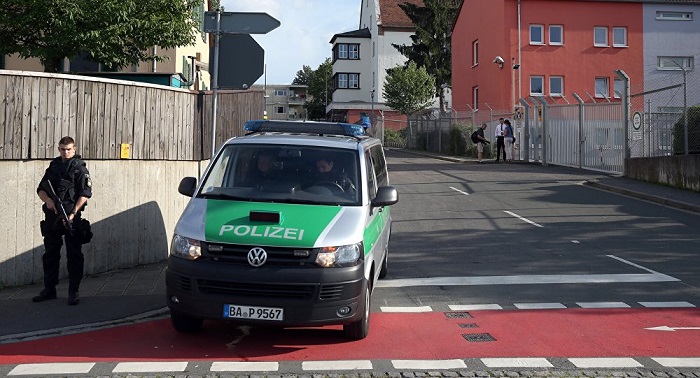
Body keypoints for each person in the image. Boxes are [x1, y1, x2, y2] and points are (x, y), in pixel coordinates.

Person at [34, 136, 92, 306]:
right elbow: (41, 189)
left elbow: (85, 194)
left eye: (68, 149)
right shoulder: (53, 167)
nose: (65, 152)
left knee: (74, 255)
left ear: (74, 149)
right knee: (50, 254)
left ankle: (73, 291)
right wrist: (48, 201)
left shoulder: (79, 169)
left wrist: (73, 213)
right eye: (62, 149)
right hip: (53, 217)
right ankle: (49, 289)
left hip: (71, 218)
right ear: (58, 149)